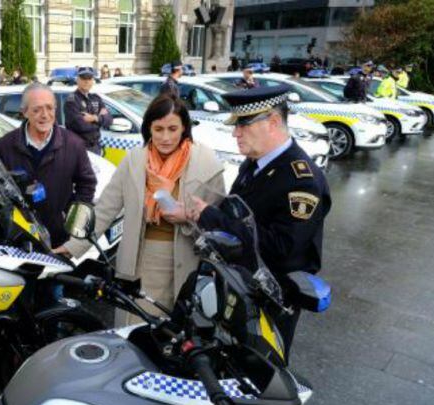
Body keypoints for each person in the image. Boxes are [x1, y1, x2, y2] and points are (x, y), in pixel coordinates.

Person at [55, 94, 225, 326]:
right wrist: (72, 246)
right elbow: (106, 207)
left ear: (184, 127)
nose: (165, 137)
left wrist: (187, 217)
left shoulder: (206, 162)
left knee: (174, 338)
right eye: (158, 129)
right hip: (138, 263)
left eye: (173, 129)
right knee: (137, 335)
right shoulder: (134, 160)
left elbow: (219, 223)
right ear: (149, 129)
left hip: (186, 263)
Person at [188, 85, 331, 360]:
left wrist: (210, 216)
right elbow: (239, 213)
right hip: (241, 287)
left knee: (262, 372)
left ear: (274, 122)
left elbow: (280, 248)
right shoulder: (255, 163)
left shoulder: (302, 180)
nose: (235, 132)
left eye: (244, 124)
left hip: (271, 299)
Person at [0, 83, 96, 248]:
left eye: (49, 108)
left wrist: (71, 219)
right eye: (37, 110)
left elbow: (87, 184)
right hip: (17, 239)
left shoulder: (74, 144)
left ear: (56, 109)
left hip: (59, 240)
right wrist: (10, 215)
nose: (45, 115)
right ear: (24, 112)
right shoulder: (6, 145)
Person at [63, 66, 112, 155]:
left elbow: (109, 120)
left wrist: (94, 118)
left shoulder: (96, 98)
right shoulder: (72, 100)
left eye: (89, 78)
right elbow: (81, 126)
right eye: (83, 78)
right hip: (79, 150)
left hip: (96, 147)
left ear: (92, 81)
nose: (86, 81)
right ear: (77, 80)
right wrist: (100, 121)